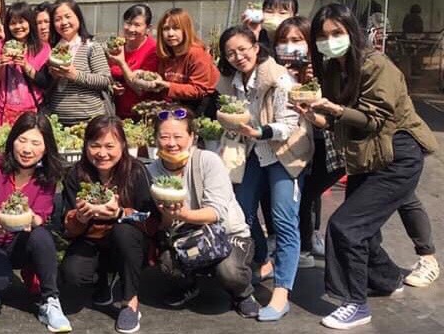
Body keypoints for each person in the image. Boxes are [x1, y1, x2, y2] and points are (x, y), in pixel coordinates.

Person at [295, 4, 438, 330]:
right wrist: (311, 113)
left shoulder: (377, 65)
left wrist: (331, 107)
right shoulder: (333, 68)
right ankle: (387, 280)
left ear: (351, 32)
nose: (329, 40)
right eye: (322, 35)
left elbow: (373, 120)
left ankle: (355, 303)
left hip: (396, 155)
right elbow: (336, 122)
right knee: (365, 230)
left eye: (336, 33)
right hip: (366, 156)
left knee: (346, 227)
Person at [216, 26, 313, 321]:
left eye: (243, 49)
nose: (237, 56)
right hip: (254, 153)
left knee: (284, 220)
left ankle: (282, 292)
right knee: (241, 212)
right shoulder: (233, 82)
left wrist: (260, 131)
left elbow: (289, 124)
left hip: (286, 153)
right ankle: (262, 260)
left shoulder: (279, 79)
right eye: (230, 52)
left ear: (256, 47)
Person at [147, 106, 260, 318]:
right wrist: (165, 218)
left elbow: (215, 213)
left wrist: (183, 215)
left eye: (178, 136)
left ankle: (243, 293)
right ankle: (188, 286)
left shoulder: (208, 161)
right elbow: (159, 223)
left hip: (226, 233)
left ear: (192, 137)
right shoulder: (151, 172)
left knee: (230, 273)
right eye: (164, 136)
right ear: (155, 138)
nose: (171, 143)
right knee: (167, 265)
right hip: (185, 236)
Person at [0, 112, 71, 333]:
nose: (27, 149)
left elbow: (40, 217)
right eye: (22, 140)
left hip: (16, 240)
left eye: (35, 143)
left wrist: (31, 217)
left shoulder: (47, 176)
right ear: (12, 140)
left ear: (45, 147)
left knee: (41, 235)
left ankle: (51, 300)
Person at [60, 115, 158, 333]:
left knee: (122, 232)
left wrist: (121, 212)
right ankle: (103, 278)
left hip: (129, 243)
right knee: (73, 275)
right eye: (94, 145)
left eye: (109, 146)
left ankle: (130, 302)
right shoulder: (76, 174)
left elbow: (151, 219)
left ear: (123, 145)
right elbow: (67, 226)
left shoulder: (136, 171)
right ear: (85, 146)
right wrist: (80, 218)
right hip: (91, 240)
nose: (102, 153)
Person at [273, 17, 343, 267]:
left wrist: (313, 84)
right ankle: (302, 242)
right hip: (292, 146)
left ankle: (306, 241)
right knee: (300, 193)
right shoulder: (277, 72)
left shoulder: (324, 70)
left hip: (324, 144)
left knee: (307, 193)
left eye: (296, 40)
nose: (289, 47)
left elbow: (335, 108)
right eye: (283, 41)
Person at [42, 0, 113, 125]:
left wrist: (75, 75)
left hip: (89, 120)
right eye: (57, 19)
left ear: (78, 17)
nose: (64, 22)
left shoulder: (91, 47)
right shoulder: (51, 50)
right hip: (58, 120)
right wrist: (54, 77)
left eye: (68, 16)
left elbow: (105, 80)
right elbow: (46, 87)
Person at [0, 2, 50, 126]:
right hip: (1, 111)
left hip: (32, 111)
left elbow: (45, 83)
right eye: (13, 23)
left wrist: (26, 66)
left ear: (30, 23)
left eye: (22, 22)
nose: (18, 26)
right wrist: (0, 66)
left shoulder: (43, 48)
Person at [153, 8, 219, 114]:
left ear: (186, 30)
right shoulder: (166, 54)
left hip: (202, 106)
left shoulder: (197, 54)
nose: (170, 33)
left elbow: (199, 89)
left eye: (176, 28)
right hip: (179, 104)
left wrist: (167, 85)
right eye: (166, 29)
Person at [106, 4, 160, 119]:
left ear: (148, 28)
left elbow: (141, 89)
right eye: (128, 23)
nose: (131, 29)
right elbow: (107, 73)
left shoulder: (153, 50)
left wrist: (122, 63)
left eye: (137, 25)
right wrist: (111, 86)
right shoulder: (117, 45)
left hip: (141, 114)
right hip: (115, 112)